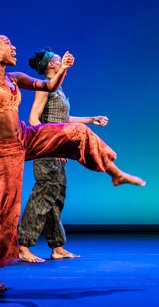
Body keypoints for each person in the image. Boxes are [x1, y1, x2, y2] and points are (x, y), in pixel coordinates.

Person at [0, 0, 145, 292]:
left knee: (77, 132)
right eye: (6, 43)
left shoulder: (14, 78)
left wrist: (64, 68)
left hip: (25, 137)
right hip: (3, 152)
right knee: (6, 212)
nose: (13, 46)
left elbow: (49, 84)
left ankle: (115, 173)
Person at [17, 48, 109, 263]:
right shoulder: (44, 88)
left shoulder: (58, 90)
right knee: (42, 196)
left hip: (58, 151)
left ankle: (57, 246)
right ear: (51, 65)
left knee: (56, 198)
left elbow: (62, 118)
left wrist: (91, 119)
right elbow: (33, 119)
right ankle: (24, 246)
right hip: (48, 150)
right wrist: (50, 145)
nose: (60, 61)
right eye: (58, 59)